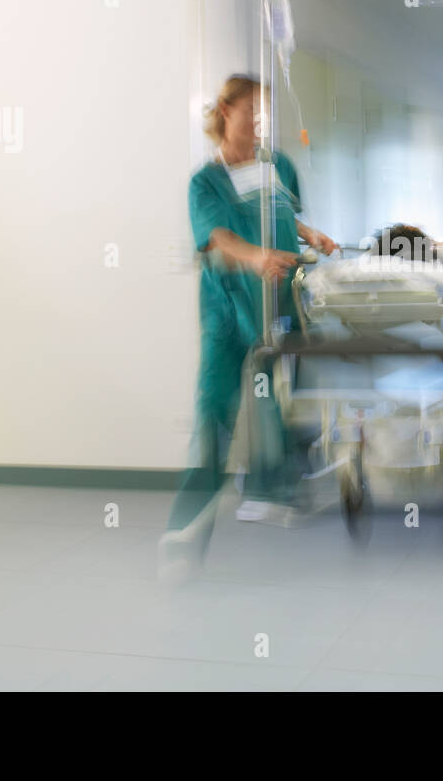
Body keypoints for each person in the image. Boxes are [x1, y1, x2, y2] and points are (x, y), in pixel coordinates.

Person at [159, 74, 337, 580]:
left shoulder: (276, 164)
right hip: (230, 313)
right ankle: (184, 530)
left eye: (266, 111)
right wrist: (256, 256)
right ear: (225, 111)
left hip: (282, 304)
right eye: (253, 109)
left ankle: (271, 490)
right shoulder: (205, 181)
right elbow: (216, 240)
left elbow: (282, 210)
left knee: (283, 399)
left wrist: (309, 233)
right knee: (214, 414)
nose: (261, 120)